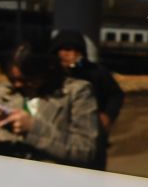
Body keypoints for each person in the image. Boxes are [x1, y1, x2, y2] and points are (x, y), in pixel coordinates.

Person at [0, 41, 102, 167]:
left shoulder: (76, 92)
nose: (18, 85)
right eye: (12, 79)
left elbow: (86, 151)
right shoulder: (6, 93)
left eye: (26, 79)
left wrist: (33, 128)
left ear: (46, 70)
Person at [52, 29, 124, 170]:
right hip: (58, 137)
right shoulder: (50, 74)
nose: (71, 54)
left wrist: (108, 115)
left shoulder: (96, 72)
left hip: (92, 137)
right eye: (66, 50)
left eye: (76, 50)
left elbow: (116, 94)